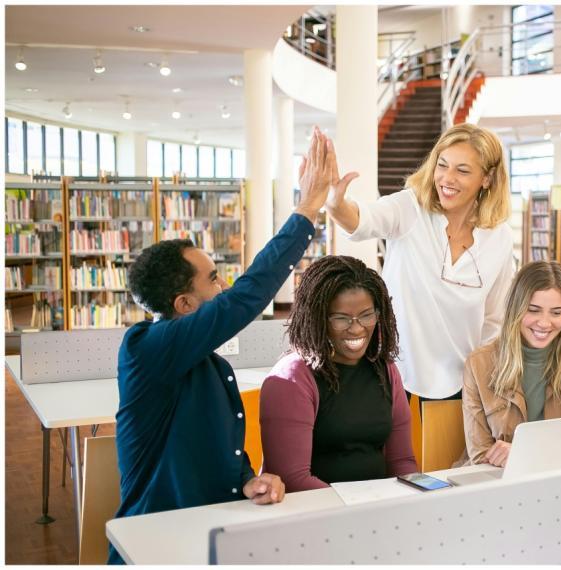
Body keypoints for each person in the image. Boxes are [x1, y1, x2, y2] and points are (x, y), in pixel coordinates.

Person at [107, 128, 333, 564]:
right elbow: (245, 298)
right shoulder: (145, 349)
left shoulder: (206, 362)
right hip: (155, 545)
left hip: (212, 532)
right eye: (213, 279)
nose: (224, 286)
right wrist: (305, 210)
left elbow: (217, 443)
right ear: (184, 304)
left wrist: (246, 479)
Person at [323, 123, 515, 400]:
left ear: (487, 178)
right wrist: (335, 205)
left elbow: (494, 321)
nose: (447, 178)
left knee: (448, 446)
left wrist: (484, 383)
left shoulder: (500, 237)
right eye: (442, 165)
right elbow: (362, 220)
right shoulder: (410, 208)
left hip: (463, 384)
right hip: (393, 376)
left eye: (462, 170)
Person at [260, 256, 417, 491]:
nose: (356, 328)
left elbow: (401, 461)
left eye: (366, 315)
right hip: (318, 515)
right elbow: (292, 480)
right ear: (318, 318)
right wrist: (358, 509)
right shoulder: (291, 378)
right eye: (341, 319)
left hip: (377, 509)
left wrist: (421, 495)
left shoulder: (385, 370)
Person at [462, 261, 561, 466]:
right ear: (516, 309)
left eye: (556, 312)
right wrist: (557, 450)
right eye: (533, 310)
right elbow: (480, 455)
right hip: (501, 482)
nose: (544, 323)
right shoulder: (478, 364)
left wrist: (527, 453)